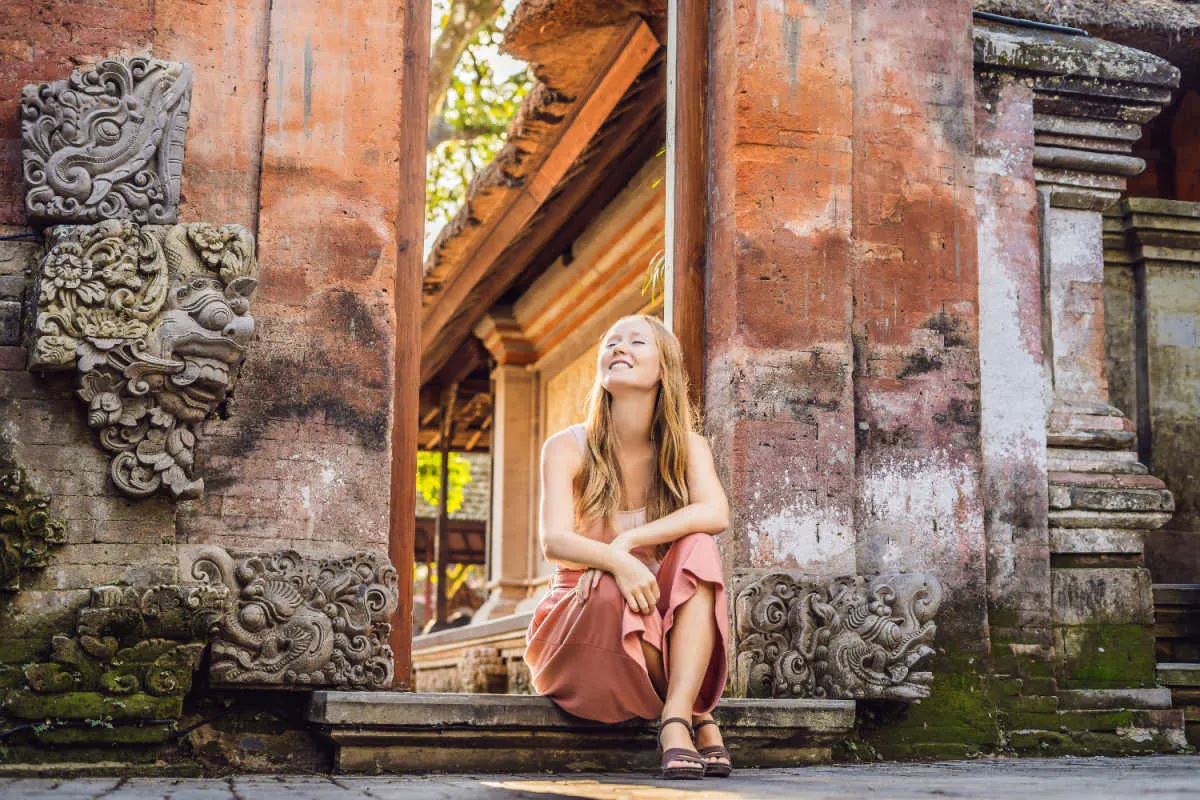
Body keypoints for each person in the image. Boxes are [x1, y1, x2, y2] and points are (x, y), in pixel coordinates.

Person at [524, 314, 732, 780]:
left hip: (657, 616)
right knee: (608, 588)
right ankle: (696, 713)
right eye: (611, 342)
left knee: (699, 546)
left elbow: (715, 513)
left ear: (664, 368)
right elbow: (554, 541)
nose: (619, 348)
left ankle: (675, 718)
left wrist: (629, 543)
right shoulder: (567, 447)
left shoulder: (688, 447)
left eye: (637, 341)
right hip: (584, 615)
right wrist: (615, 564)